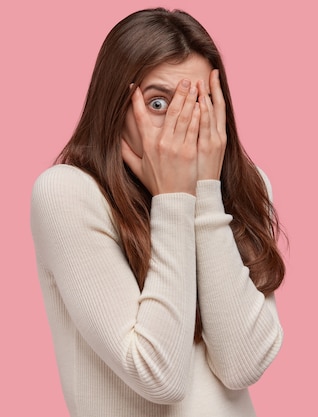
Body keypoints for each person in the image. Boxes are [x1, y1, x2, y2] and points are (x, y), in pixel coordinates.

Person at [30, 8, 285, 417]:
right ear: (115, 104)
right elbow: (159, 376)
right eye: (159, 102)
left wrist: (204, 194)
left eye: (198, 102)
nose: (181, 125)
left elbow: (242, 365)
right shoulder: (68, 193)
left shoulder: (246, 185)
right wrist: (173, 200)